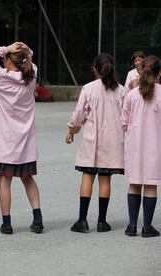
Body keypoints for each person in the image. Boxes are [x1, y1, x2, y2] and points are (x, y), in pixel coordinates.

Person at [0, 42, 44, 235]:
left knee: (5, 180)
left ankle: (6, 223)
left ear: (8, 61)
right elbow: (30, 59)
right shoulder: (30, 76)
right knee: (28, 178)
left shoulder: (1, 77)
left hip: (4, 142)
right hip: (24, 141)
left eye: (4, 58)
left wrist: (6, 48)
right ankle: (38, 218)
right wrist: (25, 49)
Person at [66, 53, 124, 233]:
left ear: (95, 70)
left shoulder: (88, 88)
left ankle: (82, 221)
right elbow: (126, 117)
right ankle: (102, 222)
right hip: (113, 142)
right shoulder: (121, 90)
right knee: (105, 181)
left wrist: (72, 131)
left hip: (92, 140)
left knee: (87, 178)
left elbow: (79, 114)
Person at [122, 55, 161, 238]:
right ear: (159, 72)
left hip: (134, 146)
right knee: (151, 185)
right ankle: (146, 227)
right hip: (155, 146)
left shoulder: (131, 95)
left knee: (134, 184)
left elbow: (124, 123)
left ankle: (131, 226)